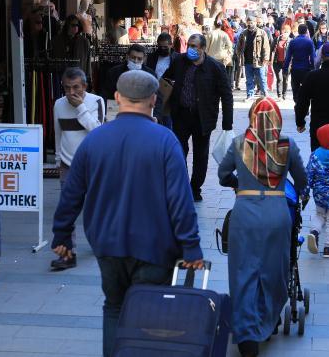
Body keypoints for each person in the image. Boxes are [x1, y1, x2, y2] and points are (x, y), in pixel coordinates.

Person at [51, 70, 204, 357]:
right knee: (150, 315)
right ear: (153, 99)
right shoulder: (165, 141)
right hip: (155, 247)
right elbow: (180, 201)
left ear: (118, 98)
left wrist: (62, 234)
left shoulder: (95, 140)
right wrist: (191, 246)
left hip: (107, 244)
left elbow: (72, 193)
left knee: (114, 307)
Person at [218, 97, 307, 357]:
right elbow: (301, 180)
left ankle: (246, 333)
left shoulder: (238, 144)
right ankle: (268, 321)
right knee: (273, 269)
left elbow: (223, 175)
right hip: (277, 213)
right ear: (277, 119)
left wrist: (239, 183)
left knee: (243, 271)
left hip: (245, 213)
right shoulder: (287, 146)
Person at [163, 34, 233, 201]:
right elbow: (165, 79)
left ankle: (195, 188)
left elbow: (226, 95)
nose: (191, 49)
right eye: (189, 45)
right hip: (181, 114)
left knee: (200, 155)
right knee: (179, 151)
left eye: (194, 46)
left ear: (202, 48)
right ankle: (183, 185)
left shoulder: (215, 67)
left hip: (203, 117)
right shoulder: (179, 61)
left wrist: (227, 123)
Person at [51, 67, 104, 270]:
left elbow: (98, 130)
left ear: (84, 86)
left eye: (76, 88)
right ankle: (66, 255)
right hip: (67, 164)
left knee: (94, 209)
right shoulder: (58, 104)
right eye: (67, 88)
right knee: (66, 212)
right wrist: (57, 161)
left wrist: (81, 108)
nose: (72, 93)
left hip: (91, 164)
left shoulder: (95, 101)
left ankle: (98, 241)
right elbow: (58, 133)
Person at [303, 124, 329, 258]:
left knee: (320, 215)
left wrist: (305, 193)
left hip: (320, 194)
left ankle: (314, 232)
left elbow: (308, 174)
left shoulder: (315, 155)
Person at [102, 44, 165, 124]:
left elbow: (158, 98)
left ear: (144, 59)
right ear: (127, 56)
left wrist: (156, 116)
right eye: (133, 57)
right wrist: (104, 113)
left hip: (143, 118)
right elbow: (105, 94)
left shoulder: (151, 75)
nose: (135, 61)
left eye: (139, 58)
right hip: (118, 117)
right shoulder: (114, 73)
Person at [238, 17, 270, 100]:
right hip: (247, 60)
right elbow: (239, 47)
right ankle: (249, 94)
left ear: (255, 22)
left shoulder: (262, 33)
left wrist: (265, 59)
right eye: (248, 22)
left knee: (261, 78)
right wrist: (239, 56)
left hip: (258, 61)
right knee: (249, 79)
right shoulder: (243, 33)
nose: (250, 24)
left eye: (251, 22)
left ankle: (265, 94)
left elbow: (266, 47)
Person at [282, 24, 315, 104]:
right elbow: (313, 57)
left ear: (298, 31)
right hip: (306, 69)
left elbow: (288, 57)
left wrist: (285, 68)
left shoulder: (293, 42)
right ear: (306, 31)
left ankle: (297, 103)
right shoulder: (309, 42)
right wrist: (313, 67)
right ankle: (305, 106)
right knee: (306, 88)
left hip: (295, 69)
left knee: (295, 87)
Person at [270, 25, 291, 100]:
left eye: (287, 32)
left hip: (287, 63)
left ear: (289, 32)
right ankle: (279, 95)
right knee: (279, 78)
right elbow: (271, 49)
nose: (285, 33)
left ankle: (284, 95)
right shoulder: (276, 39)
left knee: (285, 79)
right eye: (284, 31)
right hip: (277, 62)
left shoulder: (291, 41)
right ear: (282, 31)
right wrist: (269, 60)